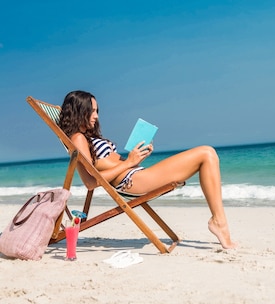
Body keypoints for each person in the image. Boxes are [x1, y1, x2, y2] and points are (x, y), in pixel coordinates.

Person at [58, 90, 236, 250]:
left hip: (137, 175)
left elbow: (111, 165)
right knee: (207, 153)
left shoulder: (87, 137)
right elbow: (90, 182)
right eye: (92, 110)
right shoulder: (78, 138)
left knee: (207, 154)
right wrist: (129, 162)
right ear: (80, 111)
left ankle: (219, 221)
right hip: (133, 182)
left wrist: (137, 158)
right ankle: (219, 222)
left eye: (97, 111)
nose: (96, 116)